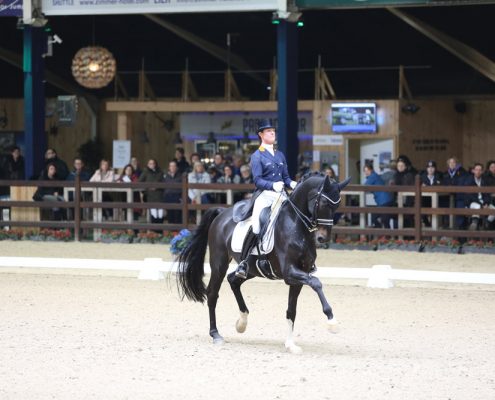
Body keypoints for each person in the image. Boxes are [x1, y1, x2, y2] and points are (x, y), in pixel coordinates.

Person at [234, 119, 297, 280]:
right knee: (256, 225)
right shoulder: (257, 156)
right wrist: (273, 185)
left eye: (273, 131)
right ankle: (244, 262)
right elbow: (257, 180)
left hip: (281, 195)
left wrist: (293, 183)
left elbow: (286, 177)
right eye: (269, 131)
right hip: (264, 195)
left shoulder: (280, 154)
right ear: (261, 135)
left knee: (295, 219)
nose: (272, 133)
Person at [464, 163, 495, 230]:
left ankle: (487, 223)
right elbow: (470, 196)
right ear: (473, 171)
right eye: (476, 170)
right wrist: (481, 204)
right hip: (472, 202)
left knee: (494, 210)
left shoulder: (484, 180)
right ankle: (474, 223)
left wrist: (486, 203)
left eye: (480, 170)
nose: (478, 171)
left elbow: (487, 194)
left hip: (483, 202)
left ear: (482, 171)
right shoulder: (469, 180)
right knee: (477, 206)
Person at [363, 162, 394, 229]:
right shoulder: (375, 176)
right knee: (383, 219)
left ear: (371, 170)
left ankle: (382, 232)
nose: (366, 172)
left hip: (384, 201)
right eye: (365, 171)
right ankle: (384, 233)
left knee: (380, 218)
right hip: (385, 200)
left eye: (367, 170)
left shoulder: (372, 176)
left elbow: (364, 187)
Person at [139, 159, 165, 229]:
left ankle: (160, 230)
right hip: (150, 195)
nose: (152, 165)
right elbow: (140, 182)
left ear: (155, 164)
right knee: (153, 213)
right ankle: (154, 231)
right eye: (150, 163)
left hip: (159, 195)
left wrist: (157, 186)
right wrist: (146, 190)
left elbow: (164, 182)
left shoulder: (160, 172)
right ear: (148, 165)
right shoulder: (145, 172)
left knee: (160, 214)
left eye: (153, 163)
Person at [419, 160, 442, 227]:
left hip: (437, 200)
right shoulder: (422, 177)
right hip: (425, 200)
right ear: (426, 169)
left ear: (435, 169)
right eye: (429, 167)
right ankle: (427, 224)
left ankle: (436, 226)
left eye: (432, 167)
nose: (430, 169)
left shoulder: (439, 177)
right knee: (421, 208)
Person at [163, 160, 183, 224]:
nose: (172, 167)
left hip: (177, 197)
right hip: (168, 197)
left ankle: (178, 230)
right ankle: (171, 231)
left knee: (177, 214)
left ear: (176, 167)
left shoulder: (181, 176)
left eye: (174, 166)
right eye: (171, 166)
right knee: (170, 214)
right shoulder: (165, 176)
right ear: (169, 167)